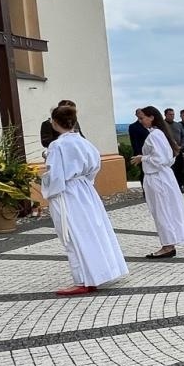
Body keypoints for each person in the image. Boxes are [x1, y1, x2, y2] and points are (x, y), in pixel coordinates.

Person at [41, 103, 128, 296]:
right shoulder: (85, 142)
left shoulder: (57, 145)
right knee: (91, 231)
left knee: (71, 234)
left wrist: (45, 183)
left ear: (55, 123)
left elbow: (55, 176)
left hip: (67, 193)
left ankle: (82, 279)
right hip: (85, 190)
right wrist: (84, 182)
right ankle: (99, 272)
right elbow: (95, 167)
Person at [129, 105, 184, 259]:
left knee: (162, 211)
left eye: (142, 118)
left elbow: (161, 159)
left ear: (151, 117)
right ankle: (169, 243)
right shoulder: (160, 134)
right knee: (165, 210)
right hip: (161, 177)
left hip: (157, 178)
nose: (140, 121)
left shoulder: (155, 135)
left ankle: (167, 246)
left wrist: (142, 158)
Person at [163, 107, 184, 190]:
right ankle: (170, 187)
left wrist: (182, 146)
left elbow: (183, 136)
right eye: (170, 114)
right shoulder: (162, 125)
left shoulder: (178, 125)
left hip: (178, 150)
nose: (172, 116)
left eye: (173, 114)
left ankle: (179, 186)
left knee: (180, 169)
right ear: (165, 115)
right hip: (167, 151)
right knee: (170, 170)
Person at [126, 109, 149, 191]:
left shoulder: (148, 125)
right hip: (140, 152)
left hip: (149, 152)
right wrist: (138, 154)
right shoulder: (133, 126)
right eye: (139, 113)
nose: (141, 114)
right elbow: (134, 141)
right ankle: (145, 189)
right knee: (143, 172)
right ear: (136, 115)